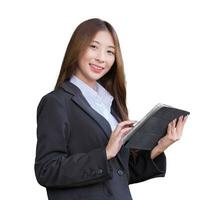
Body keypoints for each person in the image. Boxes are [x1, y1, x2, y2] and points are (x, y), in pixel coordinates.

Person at [34, 18, 188, 200]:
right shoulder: (57, 102)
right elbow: (46, 170)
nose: (101, 58)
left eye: (110, 52)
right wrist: (105, 153)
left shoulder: (109, 106)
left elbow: (119, 173)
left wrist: (160, 147)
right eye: (93, 47)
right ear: (77, 47)